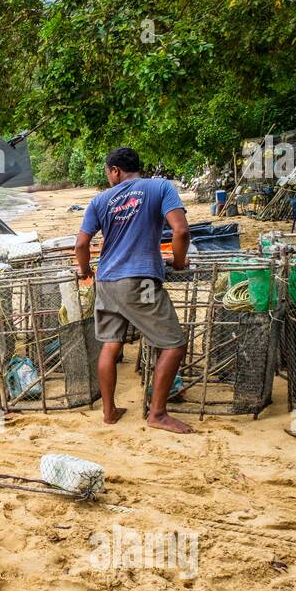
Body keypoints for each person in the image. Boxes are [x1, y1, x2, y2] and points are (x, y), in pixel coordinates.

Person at [74, 147, 193, 434]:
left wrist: (86, 270)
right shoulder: (160, 187)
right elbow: (181, 231)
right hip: (141, 283)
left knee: (111, 344)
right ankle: (158, 413)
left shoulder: (100, 200)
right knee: (174, 344)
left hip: (107, 282)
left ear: (115, 170)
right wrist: (178, 263)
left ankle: (109, 411)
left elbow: (81, 245)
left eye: (107, 172)